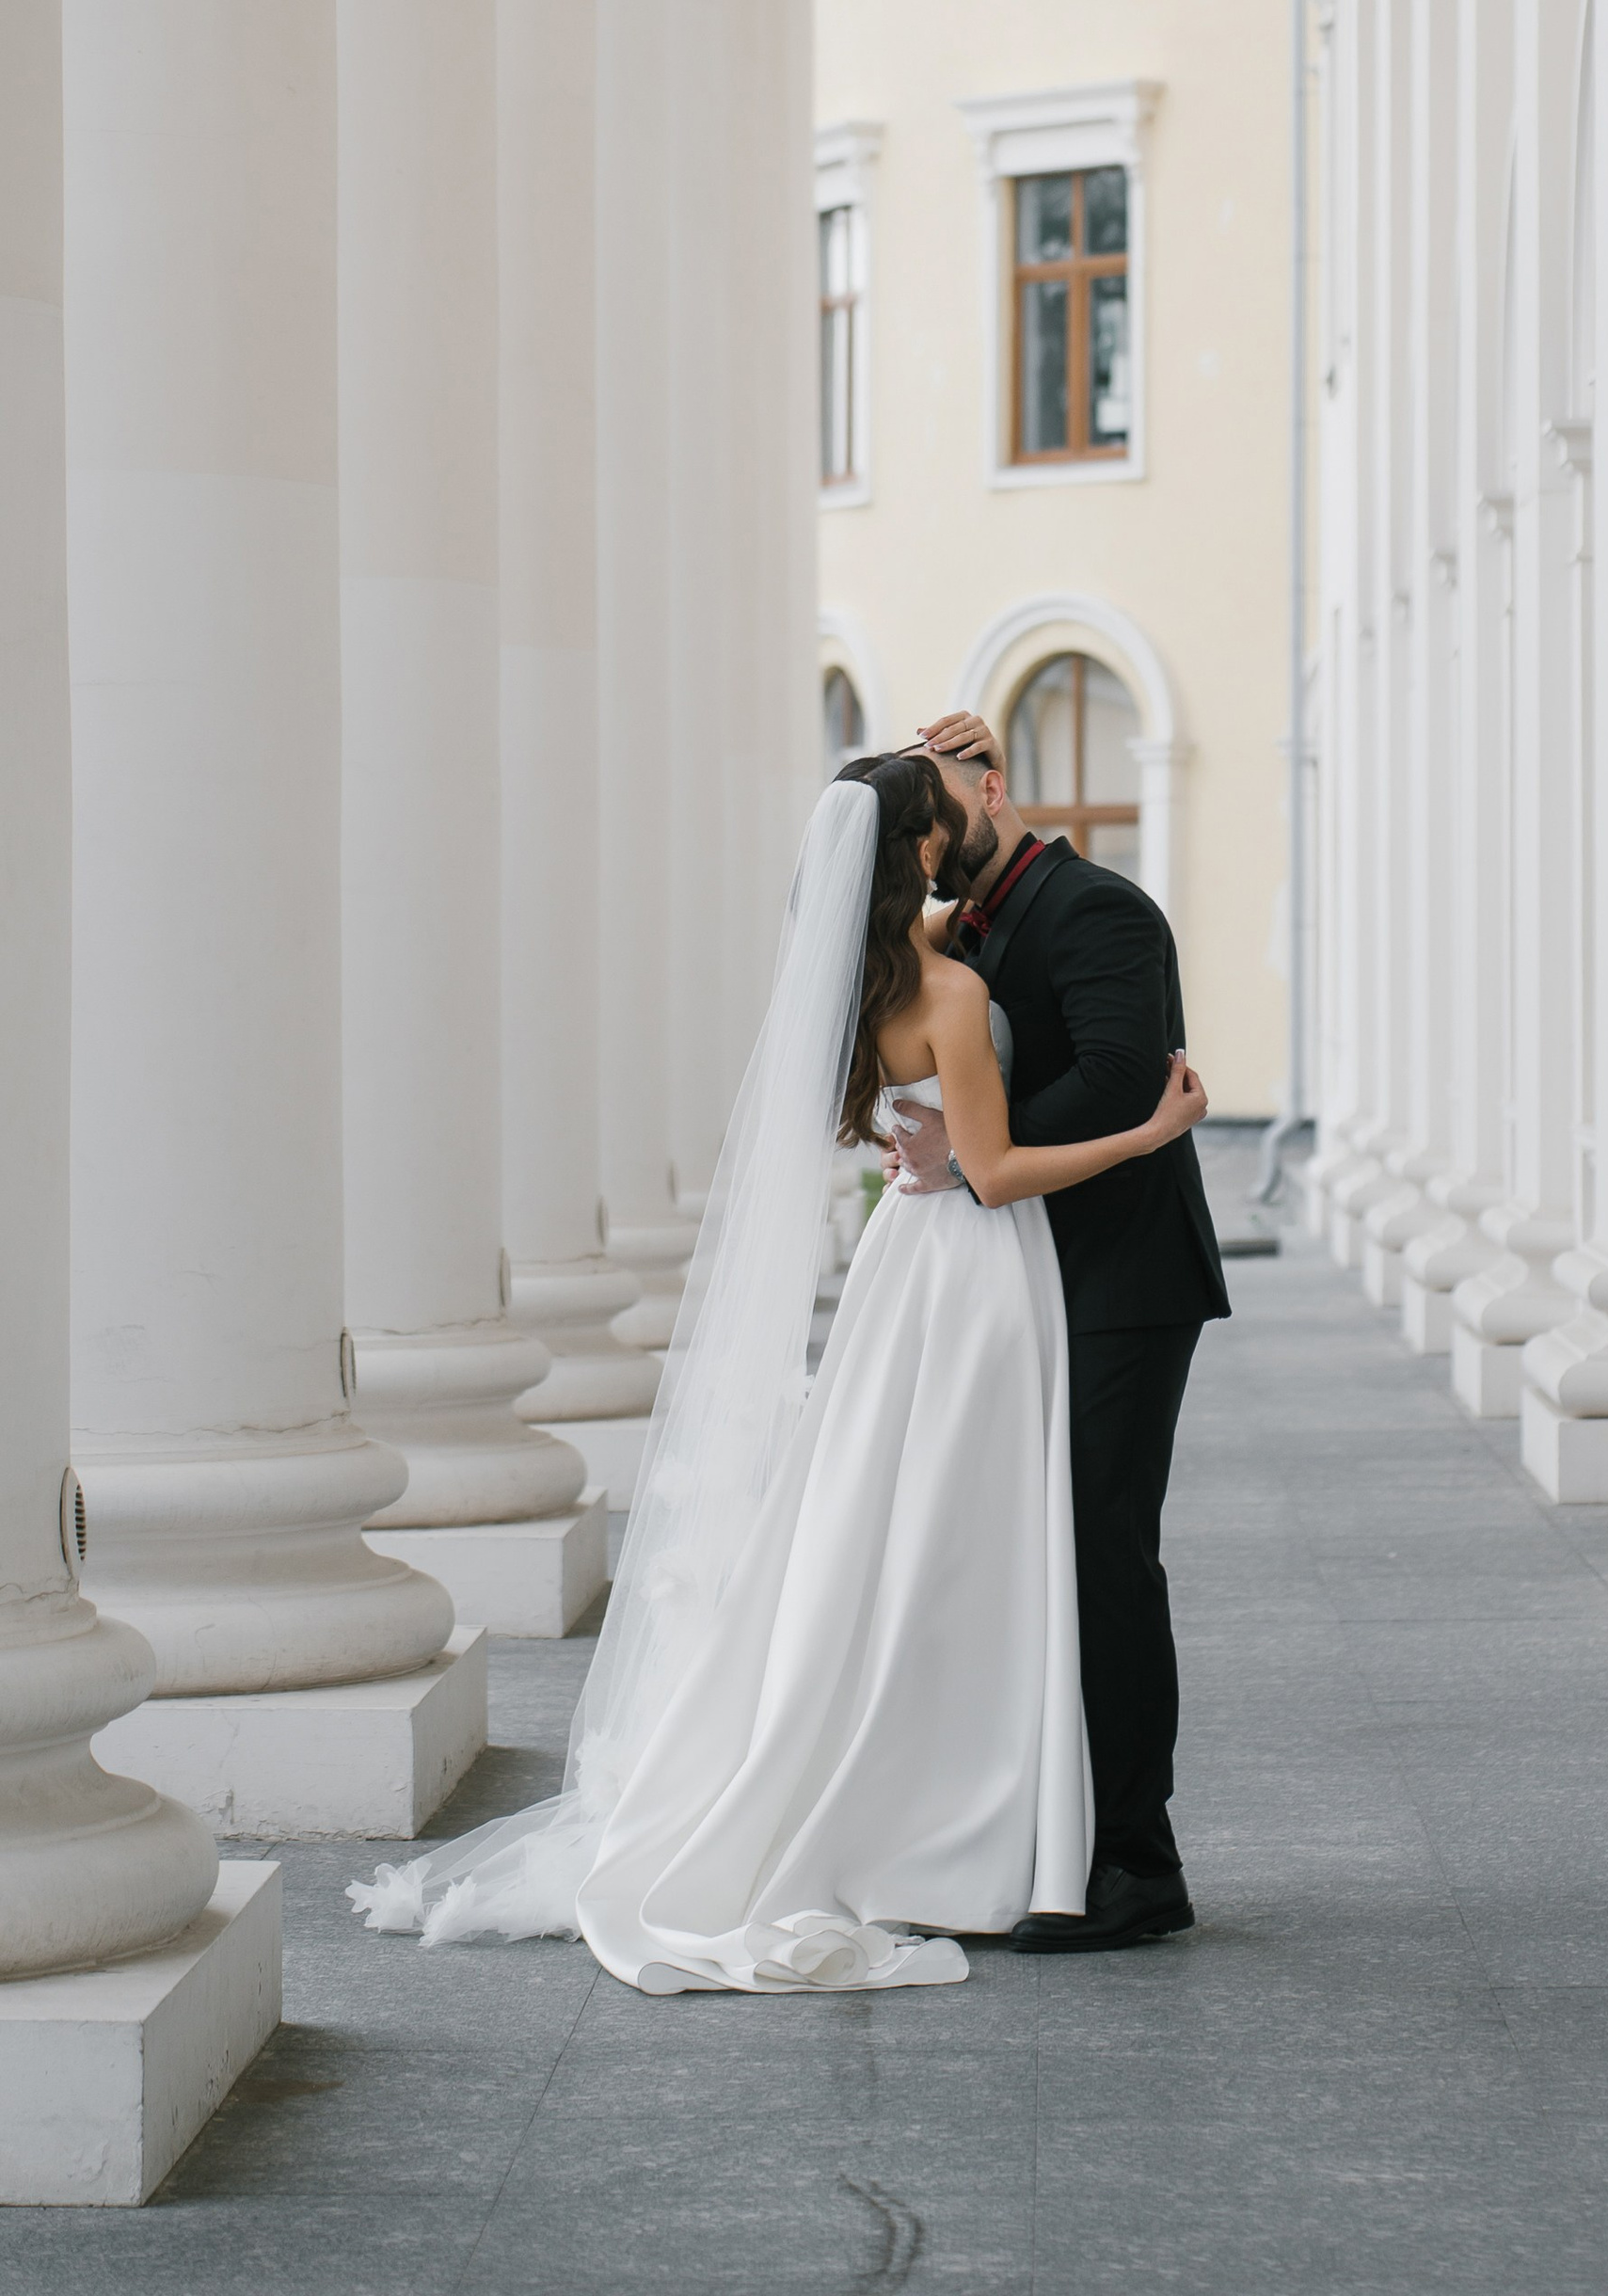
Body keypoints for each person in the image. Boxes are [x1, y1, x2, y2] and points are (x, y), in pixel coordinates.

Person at [348, 756, 1206, 1992]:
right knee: (981, 1535)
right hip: (976, 1272)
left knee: (905, 1529)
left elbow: (916, 1142)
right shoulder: (954, 990)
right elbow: (997, 1168)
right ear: (913, 852)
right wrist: (1152, 1133)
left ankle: (937, 1807)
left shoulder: (868, 990)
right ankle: (991, 1822)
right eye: (934, 824)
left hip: (904, 1264)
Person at [891, 710, 1230, 1953]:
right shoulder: (964, 924)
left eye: (940, 814)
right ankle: (1052, 1841)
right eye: (916, 833)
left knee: (1101, 1559)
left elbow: (1121, 1079)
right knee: (1043, 1561)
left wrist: (972, 1150)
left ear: (993, 786)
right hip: (1027, 1279)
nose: (930, 846)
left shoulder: (1100, 911)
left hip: (1123, 1282)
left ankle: (1141, 1863)